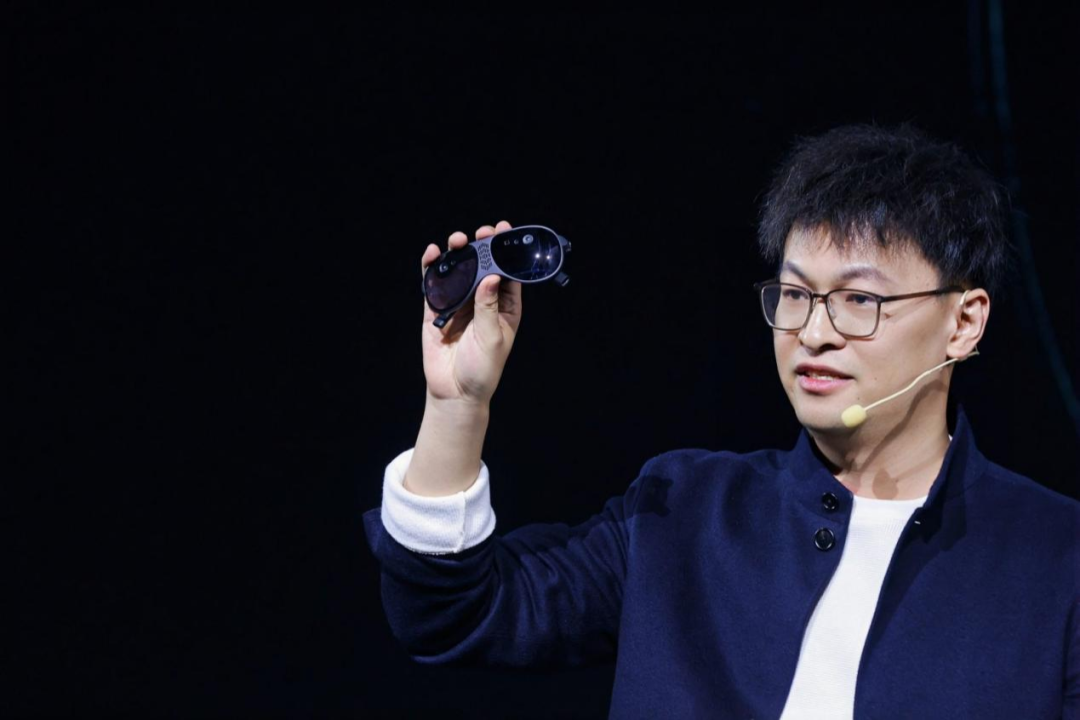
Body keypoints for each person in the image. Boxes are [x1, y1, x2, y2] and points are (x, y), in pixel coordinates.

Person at [363, 124, 1079, 719]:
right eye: (794, 294)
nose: (813, 333)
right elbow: (453, 615)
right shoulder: (684, 513)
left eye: (859, 301)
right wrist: (457, 405)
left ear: (963, 322)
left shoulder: (1057, 558)